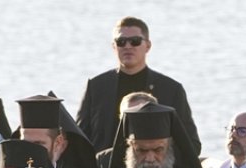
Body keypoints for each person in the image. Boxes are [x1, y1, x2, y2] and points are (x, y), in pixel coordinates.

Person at [76, 17, 201, 154]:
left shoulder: (171, 89)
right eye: (121, 42)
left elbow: (191, 144)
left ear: (148, 46)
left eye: (135, 41)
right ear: (114, 46)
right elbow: (80, 138)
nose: (128, 46)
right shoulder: (96, 86)